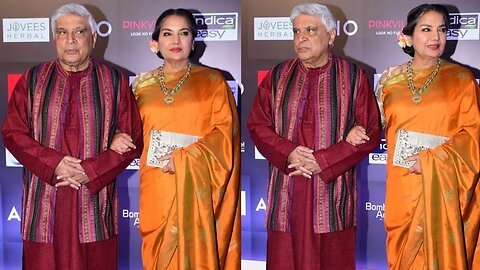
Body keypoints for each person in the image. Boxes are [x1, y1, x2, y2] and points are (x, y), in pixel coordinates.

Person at [1, 3, 143, 270]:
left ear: (93, 37)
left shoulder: (114, 81)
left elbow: (132, 136)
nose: (71, 40)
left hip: (94, 204)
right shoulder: (32, 80)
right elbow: (13, 132)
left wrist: (91, 169)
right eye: (62, 32)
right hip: (44, 204)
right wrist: (54, 163)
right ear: (55, 38)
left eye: (79, 31)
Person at [247, 3, 381, 270]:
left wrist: (326, 159)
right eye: (296, 31)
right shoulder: (277, 76)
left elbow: (371, 132)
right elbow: (257, 125)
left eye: (310, 30)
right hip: (287, 193)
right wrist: (289, 152)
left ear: (331, 35)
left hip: (332, 197)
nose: (301, 38)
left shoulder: (354, 77)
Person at [111, 8, 241, 270]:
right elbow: (128, 128)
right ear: (155, 43)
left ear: (193, 41)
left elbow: (225, 135)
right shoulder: (140, 85)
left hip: (199, 186)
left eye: (184, 33)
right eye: (167, 33)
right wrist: (116, 135)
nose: (175, 40)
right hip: (156, 186)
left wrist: (184, 160)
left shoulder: (213, 81)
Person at [373, 4, 480, 269]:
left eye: (442, 30)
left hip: (446, 188)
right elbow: (373, 126)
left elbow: (474, 135)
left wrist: (433, 162)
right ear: (408, 36)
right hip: (403, 186)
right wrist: (355, 130)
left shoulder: (462, 79)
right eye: (426, 29)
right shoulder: (388, 81)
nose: (436, 37)